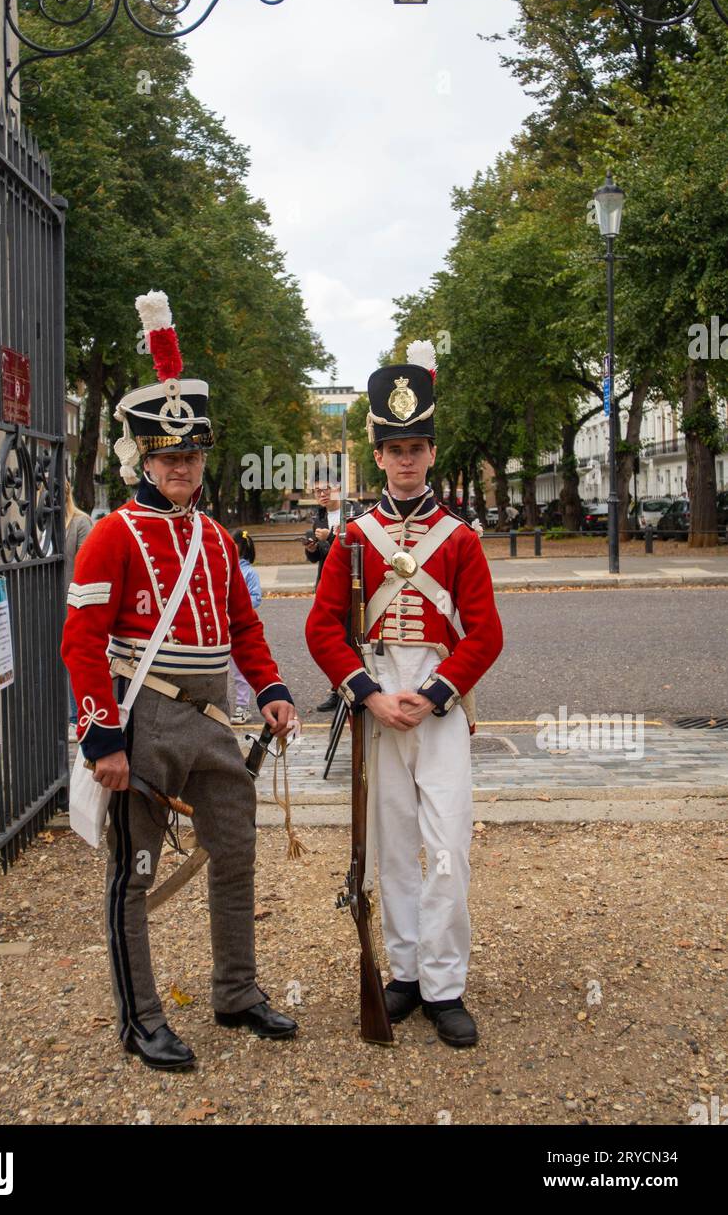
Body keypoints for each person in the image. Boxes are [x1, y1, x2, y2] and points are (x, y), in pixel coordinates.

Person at [62, 292, 299, 1072]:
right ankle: (142, 1019)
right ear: (141, 459)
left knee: (235, 854)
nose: (181, 470)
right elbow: (81, 641)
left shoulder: (216, 538)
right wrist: (102, 737)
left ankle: (235, 992)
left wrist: (268, 690)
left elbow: (242, 629)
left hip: (215, 721)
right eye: (168, 459)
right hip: (143, 721)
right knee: (133, 875)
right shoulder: (110, 536)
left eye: (191, 458)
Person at [305, 341, 503, 1047]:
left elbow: (485, 634)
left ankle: (448, 984)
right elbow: (322, 627)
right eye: (395, 449)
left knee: (447, 845)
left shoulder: (460, 539)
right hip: (378, 704)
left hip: (438, 706)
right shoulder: (353, 536)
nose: (407, 460)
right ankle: (408, 973)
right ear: (379, 455)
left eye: (417, 446)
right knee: (392, 850)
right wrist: (365, 693)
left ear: (430, 451)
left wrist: (437, 692)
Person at [304, 480, 362, 713]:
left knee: (353, 637)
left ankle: (355, 686)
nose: (322, 494)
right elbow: (319, 557)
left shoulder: (354, 512)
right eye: (317, 491)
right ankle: (336, 689)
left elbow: (353, 549)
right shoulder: (318, 517)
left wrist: (329, 538)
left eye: (326, 489)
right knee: (330, 639)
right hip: (327, 585)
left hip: (353, 585)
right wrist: (312, 549)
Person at [64, 477, 92, 741]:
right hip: (41, 602)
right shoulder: (33, 524)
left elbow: (86, 568)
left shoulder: (80, 523)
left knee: (73, 662)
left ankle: (75, 716)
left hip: (70, 603)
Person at [229, 528, 261, 724]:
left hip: (239, 628)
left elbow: (255, 598)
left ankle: (243, 706)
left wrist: (236, 604)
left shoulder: (249, 572)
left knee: (240, 670)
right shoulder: (224, 567)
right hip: (221, 628)